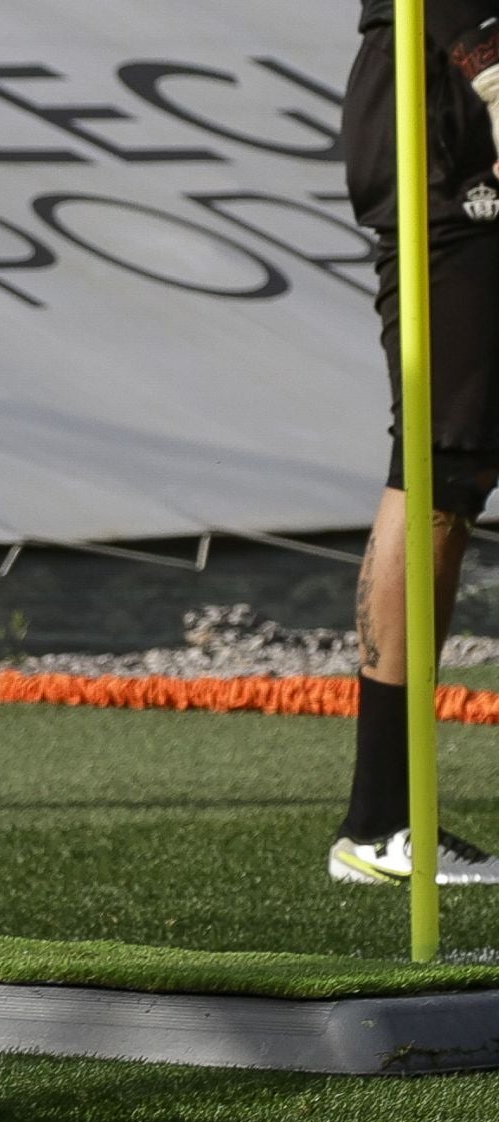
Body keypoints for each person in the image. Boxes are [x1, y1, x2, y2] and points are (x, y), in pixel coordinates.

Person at [333, 0, 499, 884]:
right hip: (446, 123)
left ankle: (383, 819)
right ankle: (380, 821)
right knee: (443, 459)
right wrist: (492, 71)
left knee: (453, 460)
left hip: (457, 105)